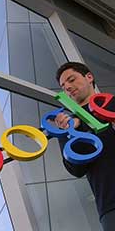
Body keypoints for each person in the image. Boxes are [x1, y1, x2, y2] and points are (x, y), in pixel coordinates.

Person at [55, 61, 115, 231]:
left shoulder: (112, 105)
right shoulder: (70, 123)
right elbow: (76, 169)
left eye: (71, 79)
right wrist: (66, 133)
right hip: (110, 204)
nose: (67, 87)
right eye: (63, 85)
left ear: (89, 77)